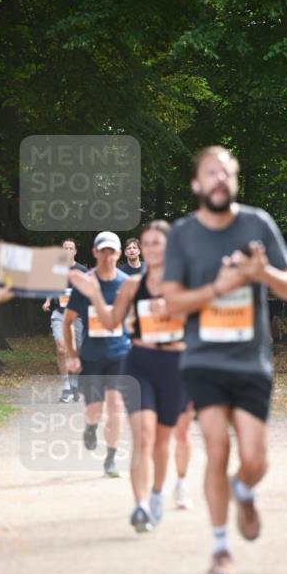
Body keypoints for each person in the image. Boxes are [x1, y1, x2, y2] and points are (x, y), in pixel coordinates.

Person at [162, 145, 287, 574]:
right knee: (217, 449)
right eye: (211, 172)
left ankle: (244, 489)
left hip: (251, 361)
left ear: (235, 180)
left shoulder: (257, 223)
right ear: (197, 184)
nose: (219, 178)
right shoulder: (182, 235)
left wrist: (264, 274)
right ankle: (220, 546)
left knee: (256, 458)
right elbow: (172, 302)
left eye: (227, 172)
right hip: (203, 360)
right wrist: (217, 288)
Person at [71, 222, 192, 531]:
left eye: (158, 243)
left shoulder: (185, 283)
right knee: (143, 436)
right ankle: (139, 506)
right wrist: (96, 294)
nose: (152, 249)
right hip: (140, 363)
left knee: (162, 442)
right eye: (147, 244)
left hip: (175, 364)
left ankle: (155, 494)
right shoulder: (131, 287)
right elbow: (111, 320)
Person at [63, 231, 130, 478]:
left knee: (116, 406)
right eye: (103, 251)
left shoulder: (126, 283)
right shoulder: (84, 284)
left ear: (119, 254)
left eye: (112, 251)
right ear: (95, 253)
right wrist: (71, 353)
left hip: (120, 354)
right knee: (95, 410)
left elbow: (134, 320)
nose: (107, 256)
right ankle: (91, 427)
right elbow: (67, 321)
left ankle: (110, 459)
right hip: (91, 355)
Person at [42, 238, 87, 402]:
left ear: (75, 252)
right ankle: (66, 388)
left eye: (71, 248)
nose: (68, 251)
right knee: (62, 350)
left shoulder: (82, 269)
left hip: (78, 316)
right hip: (59, 314)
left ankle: (75, 385)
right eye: (65, 248)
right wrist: (47, 300)